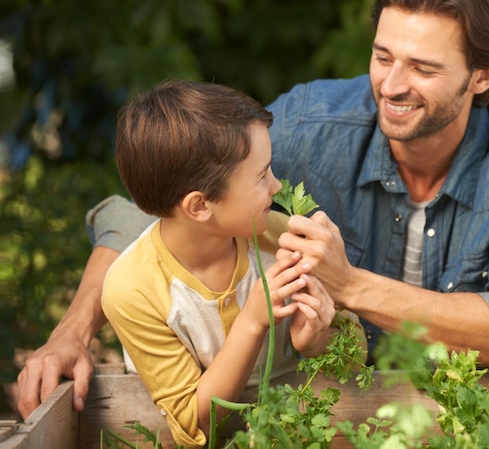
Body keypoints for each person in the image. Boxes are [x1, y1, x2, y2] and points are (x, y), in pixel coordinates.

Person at [17, 0, 489, 420]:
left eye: (423, 68)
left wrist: (350, 285)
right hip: (325, 414)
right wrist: (72, 331)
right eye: (383, 56)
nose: (390, 85)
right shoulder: (313, 123)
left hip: (459, 420)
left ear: (482, 76)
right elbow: (159, 208)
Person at [104, 80, 337, 447]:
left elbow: (352, 352)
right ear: (200, 206)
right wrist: (252, 321)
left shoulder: (283, 239)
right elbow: (192, 424)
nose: (277, 187)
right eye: (262, 176)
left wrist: (316, 339)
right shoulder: (132, 289)